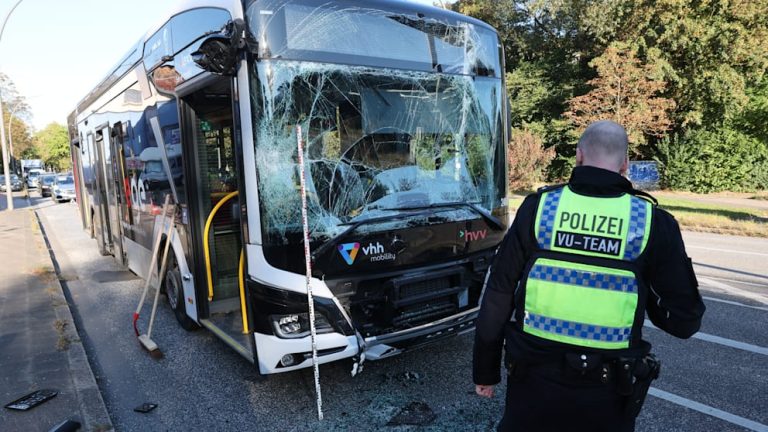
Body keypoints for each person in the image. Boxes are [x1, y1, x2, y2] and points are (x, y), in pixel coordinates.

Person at [473, 120, 705, 431]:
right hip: (608, 393)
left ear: (579, 156)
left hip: (532, 384)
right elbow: (684, 321)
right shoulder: (652, 222)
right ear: (625, 164)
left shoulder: (539, 208)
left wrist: (485, 373)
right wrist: (639, 283)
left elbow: (499, 293)